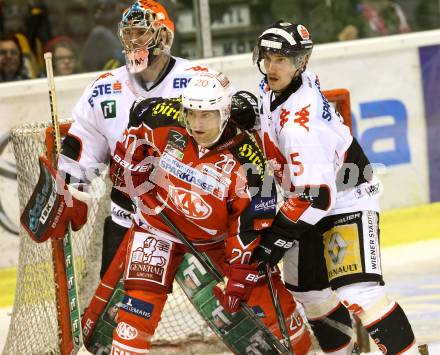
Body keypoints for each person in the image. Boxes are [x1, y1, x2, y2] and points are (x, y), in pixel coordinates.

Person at [108, 69, 312, 354]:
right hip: (158, 225)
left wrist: (241, 271)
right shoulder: (159, 119)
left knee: (266, 297)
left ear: (225, 112)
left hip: (219, 239)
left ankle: (302, 348)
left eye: (207, 115)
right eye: (191, 113)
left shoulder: (249, 161)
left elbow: (250, 224)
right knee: (137, 308)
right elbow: (137, 123)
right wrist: (130, 169)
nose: (197, 123)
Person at [252, 20, 418, 354]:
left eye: (280, 59)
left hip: (346, 199)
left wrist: (277, 238)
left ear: (300, 63)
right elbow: (266, 113)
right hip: (309, 199)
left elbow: (320, 197)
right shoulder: (277, 86)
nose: (271, 66)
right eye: (267, 56)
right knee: (310, 295)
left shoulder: (302, 126)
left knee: (360, 293)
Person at [57, 0, 214, 279]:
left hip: (194, 216)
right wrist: (68, 191)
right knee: (113, 309)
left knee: (230, 308)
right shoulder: (104, 88)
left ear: (164, 36)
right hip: (128, 216)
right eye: (128, 33)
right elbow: (82, 147)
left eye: (141, 32)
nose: (132, 41)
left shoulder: (200, 81)